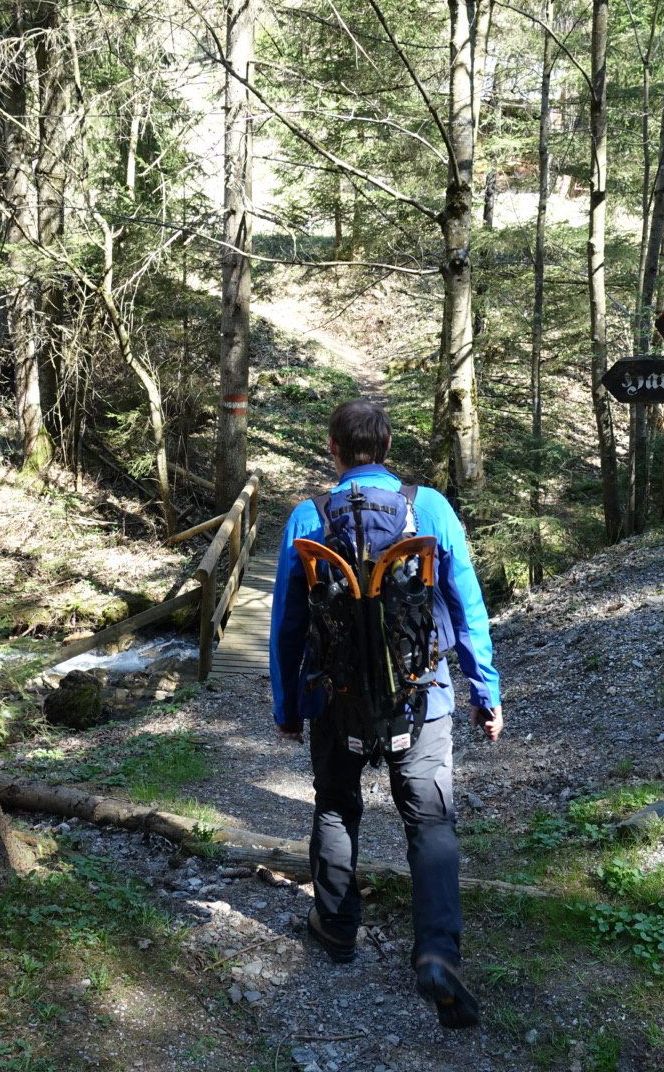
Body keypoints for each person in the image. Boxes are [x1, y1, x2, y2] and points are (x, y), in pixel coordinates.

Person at [269, 399, 503, 1029]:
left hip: (334, 699)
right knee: (430, 821)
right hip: (422, 695)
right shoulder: (427, 508)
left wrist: (287, 704)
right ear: (388, 445)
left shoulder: (305, 517)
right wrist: (486, 691)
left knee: (337, 803)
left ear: (333, 449)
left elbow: (288, 624)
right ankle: (437, 954)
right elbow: (466, 600)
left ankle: (337, 926)